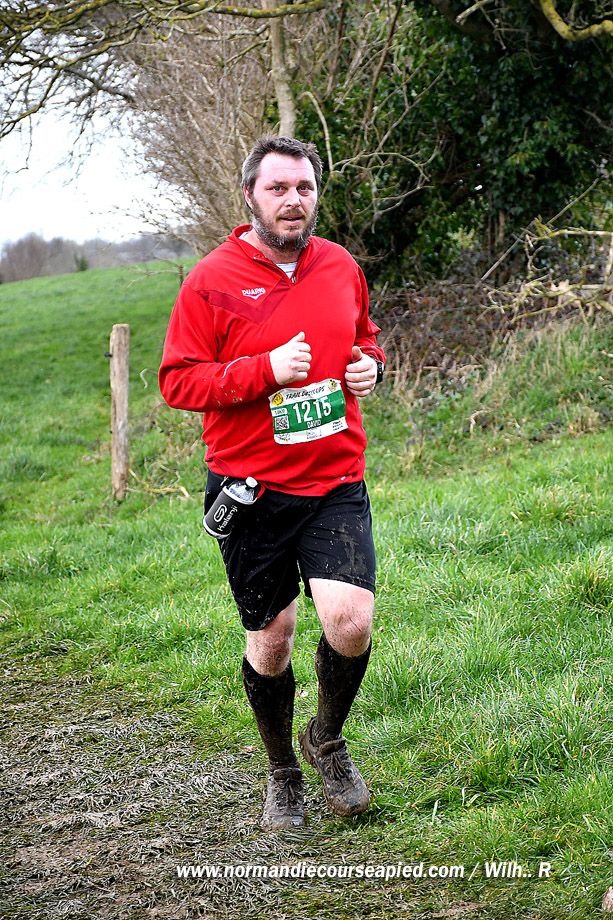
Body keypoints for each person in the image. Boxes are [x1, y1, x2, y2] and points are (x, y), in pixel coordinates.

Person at [159, 135, 385, 831]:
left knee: (350, 623)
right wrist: (264, 371)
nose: (293, 201)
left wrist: (370, 365)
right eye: (278, 188)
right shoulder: (210, 280)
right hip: (251, 489)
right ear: (250, 197)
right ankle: (282, 771)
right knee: (273, 641)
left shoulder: (340, 265)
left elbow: (364, 336)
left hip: (334, 478)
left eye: (304, 188)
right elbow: (177, 382)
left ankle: (326, 740)